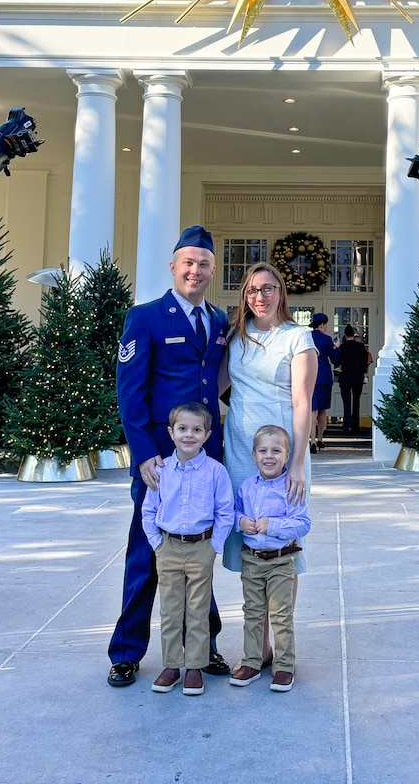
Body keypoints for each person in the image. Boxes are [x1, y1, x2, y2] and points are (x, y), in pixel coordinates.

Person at [108, 225, 231, 688]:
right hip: (159, 461)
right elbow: (130, 392)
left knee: (199, 550)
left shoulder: (219, 321)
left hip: (205, 460)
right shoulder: (144, 318)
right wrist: (142, 453)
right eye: (188, 262)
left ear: (212, 271)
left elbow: (217, 381)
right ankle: (126, 652)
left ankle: (204, 645)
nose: (195, 271)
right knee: (147, 552)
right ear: (174, 267)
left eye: (203, 264)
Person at [220, 262, 315, 668]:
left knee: (281, 542)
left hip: (282, 449)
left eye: (269, 288)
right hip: (241, 447)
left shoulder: (299, 337)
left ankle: (284, 642)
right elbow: (218, 386)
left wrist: (296, 462)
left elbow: (302, 402)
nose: (261, 296)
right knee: (249, 541)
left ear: (281, 292)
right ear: (245, 295)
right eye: (253, 290)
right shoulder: (235, 337)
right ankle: (256, 648)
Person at [141, 403, 234, 696]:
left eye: (196, 430)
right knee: (169, 610)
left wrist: (214, 546)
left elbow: (225, 512)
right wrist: (157, 544)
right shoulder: (161, 470)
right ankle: (171, 665)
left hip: (201, 548)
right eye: (183, 429)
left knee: (197, 609)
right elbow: (148, 510)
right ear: (171, 433)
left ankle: (194, 667)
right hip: (168, 547)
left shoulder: (216, 472)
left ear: (207, 435)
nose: (189, 435)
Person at [229, 425, 310, 693]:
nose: (269, 456)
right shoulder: (247, 487)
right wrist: (241, 522)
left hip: (280, 561)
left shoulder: (291, 486)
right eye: (263, 450)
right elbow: (233, 513)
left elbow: (302, 523)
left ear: (287, 456)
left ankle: (285, 665)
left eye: (276, 451)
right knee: (252, 612)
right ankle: (253, 660)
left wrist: (271, 525)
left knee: (280, 614)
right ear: (253, 456)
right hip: (251, 560)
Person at [308, 313, 338, 451]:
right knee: (322, 410)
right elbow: (335, 359)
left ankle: (312, 441)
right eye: (325, 325)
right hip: (324, 376)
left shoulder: (307, 337)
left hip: (309, 376)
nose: (326, 327)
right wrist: (337, 347)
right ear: (322, 325)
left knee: (312, 409)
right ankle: (320, 439)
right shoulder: (327, 340)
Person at [336, 325, 372, 435]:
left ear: (345, 335)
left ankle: (347, 425)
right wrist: (363, 372)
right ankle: (356, 426)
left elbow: (337, 362)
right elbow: (364, 362)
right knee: (356, 401)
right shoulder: (361, 347)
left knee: (346, 402)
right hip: (357, 376)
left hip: (345, 377)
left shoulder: (342, 347)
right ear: (353, 335)